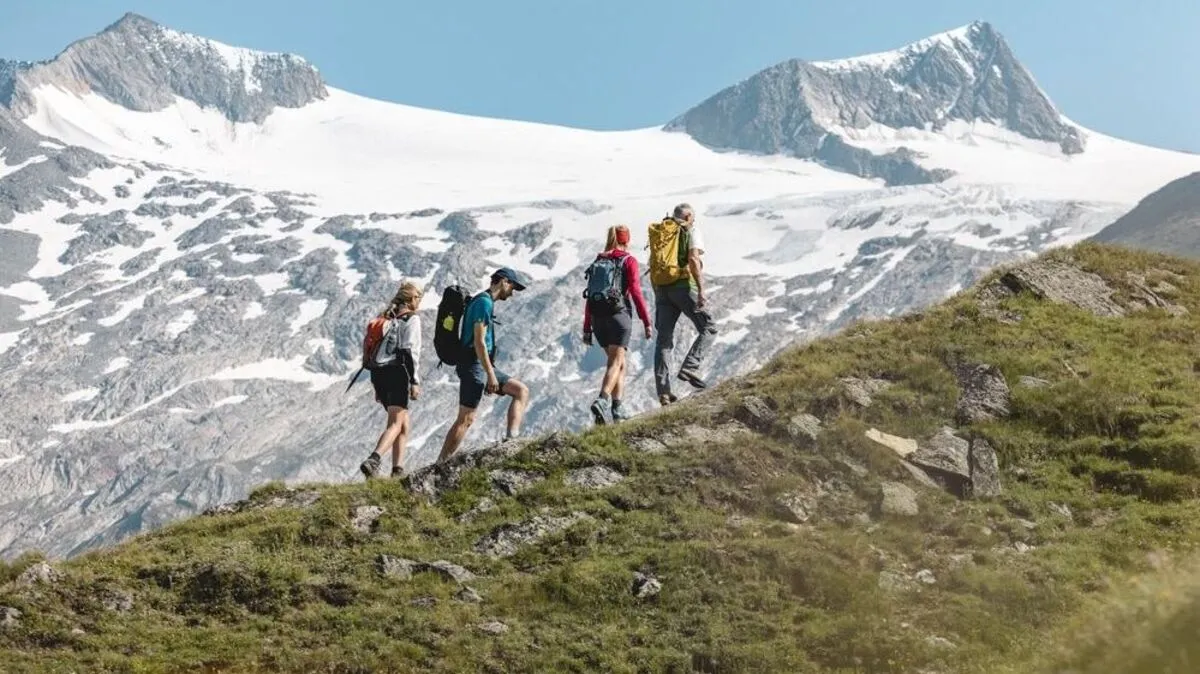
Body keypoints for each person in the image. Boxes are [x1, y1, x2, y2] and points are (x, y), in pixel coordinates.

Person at [436, 267, 531, 463]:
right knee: (466, 418)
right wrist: (491, 374)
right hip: (473, 364)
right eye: (512, 287)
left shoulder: (484, 302)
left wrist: (489, 371)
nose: (512, 293)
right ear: (503, 281)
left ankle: (511, 440)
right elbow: (479, 341)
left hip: (480, 364)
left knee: (521, 391)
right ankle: (441, 462)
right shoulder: (483, 303)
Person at [582, 225, 652, 425]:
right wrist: (646, 321)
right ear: (626, 240)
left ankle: (618, 409)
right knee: (615, 362)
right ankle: (603, 400)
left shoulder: (599, 260)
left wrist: (587, 327)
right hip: (618, 316)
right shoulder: (628, 261)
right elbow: (637, 293)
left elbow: (589, 297)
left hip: (598, 319)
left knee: (620, 362)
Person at [648, 202, 716, 406]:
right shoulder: (690, 230)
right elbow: (694, 259)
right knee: (709, 327)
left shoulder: (661, 234)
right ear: (687, 217)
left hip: (662, 289)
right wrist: (702, 289)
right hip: (684, 286)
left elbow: (653, 264)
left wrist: (658, 293)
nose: (693, 221)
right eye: (693, 217)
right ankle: (691, 367)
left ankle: (664, 392)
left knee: (664, 341)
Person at [359, 281, 423, 478]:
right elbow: (408, 350)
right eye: (419, 298)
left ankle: (397, 470)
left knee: (404, 423)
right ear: (412, 299)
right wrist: (414, 381)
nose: (419, 302)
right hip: (398, 373)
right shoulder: (412, 319)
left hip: (379, 375)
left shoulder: (386, 318)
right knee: (395, 423)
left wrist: (377, 389)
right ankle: (374, 459)